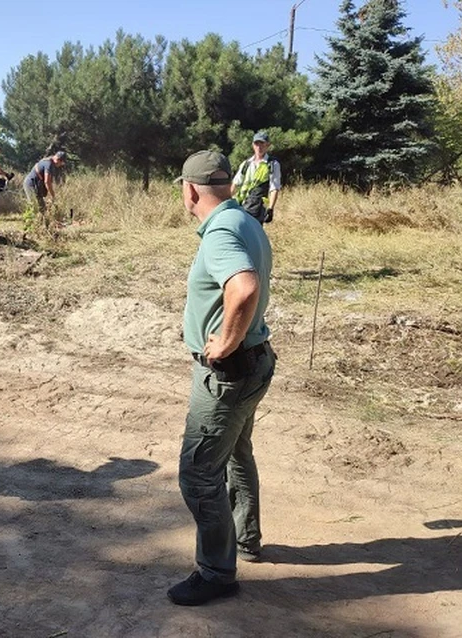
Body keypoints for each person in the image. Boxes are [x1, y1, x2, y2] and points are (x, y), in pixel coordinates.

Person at [167, 150, 276, 606]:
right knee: (235, 454)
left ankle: (216, 571)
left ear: (191, 191)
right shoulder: (247, 221)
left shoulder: (220, 232)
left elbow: (244, 286)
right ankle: (245, 538)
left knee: (197, 474)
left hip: (229, 372)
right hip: (254, 361)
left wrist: (223, 343)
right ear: (228, 185)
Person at [231, 131, 281, 225]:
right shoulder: (246, 164)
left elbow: (274, 188)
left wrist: (270, 208)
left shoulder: (272, 164)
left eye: (262, 143)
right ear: (253, 145)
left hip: (257, 209)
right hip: (240, 206)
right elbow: (235, 184)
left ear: (267, 145)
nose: (259, 147)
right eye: (256, 143)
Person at [23, 150, 67, 217]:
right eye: (61, 163)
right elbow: (47, 182)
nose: (61, 165)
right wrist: (53, 196)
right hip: (30, 184)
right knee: (34, 206)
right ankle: (31, 222)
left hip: (37, 185)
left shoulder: (50, 163)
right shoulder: (48, 164)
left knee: (42, 208)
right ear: (58, 160)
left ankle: (42, 223)